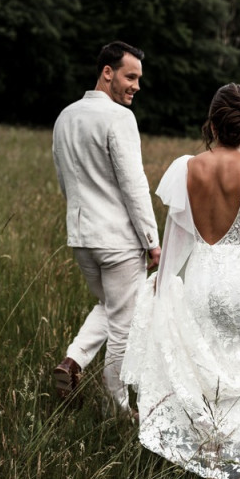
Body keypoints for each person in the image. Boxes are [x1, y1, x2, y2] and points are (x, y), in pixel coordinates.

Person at [121, 83, 240, 479]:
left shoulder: (187, 167)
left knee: (210, 380)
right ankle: (236, 469)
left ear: (212, 121)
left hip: (201, 282)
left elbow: (175, 239)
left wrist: (164, 282)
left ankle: (224, 466)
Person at [52, 41, 161, 413]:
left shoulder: (65, 117)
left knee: (110, 305)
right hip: (119, 241)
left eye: (139, 79)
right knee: (123, 326)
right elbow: (134, 184)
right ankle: (116, 409)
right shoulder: (119, 118)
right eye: (131, 77)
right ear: (107, 72)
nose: (136, 86)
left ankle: (72, 361)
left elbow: (64, 181)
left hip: (82, 238)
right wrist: (152, 240)